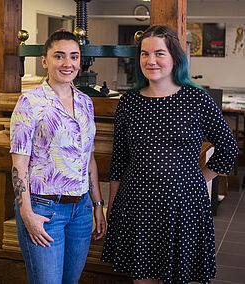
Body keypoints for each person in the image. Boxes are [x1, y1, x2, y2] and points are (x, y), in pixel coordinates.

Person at [101, 25, 239, 284]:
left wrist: (198, 179)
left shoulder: (197, 99)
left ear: (175, 57)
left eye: (159, 53)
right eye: (144, 54)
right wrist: (113, 208)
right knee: (142, 279)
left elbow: (228, 148)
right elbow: (119, 160)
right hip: (137, 205)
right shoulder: (129, 102)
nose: (150, 60)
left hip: (182, 207)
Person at [10, 29, 106, 284]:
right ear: (44, 61)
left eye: (74, 57)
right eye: (59, 56)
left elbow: (89, 157)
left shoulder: (86, 102)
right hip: (44, 209)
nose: (68, 64)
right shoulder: (29, 102)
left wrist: (98, 206)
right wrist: (27, 213)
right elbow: (18, 163)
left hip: (82, 210)